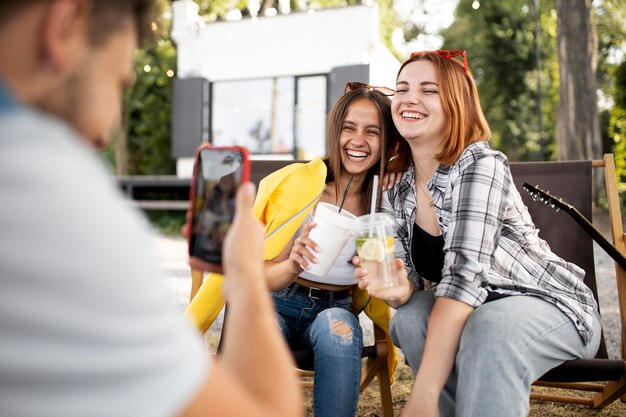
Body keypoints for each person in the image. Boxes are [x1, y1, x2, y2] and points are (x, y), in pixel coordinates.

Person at [0, 1, 302, 417]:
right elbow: (265, 411)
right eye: (118, 84)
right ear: (64, 25)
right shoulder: (43, 192)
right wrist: (246, 275)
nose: (105, 132)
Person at [355, 50, 602, 417]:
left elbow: (463, 277)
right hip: (471, 314)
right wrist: (397, 290)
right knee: (410, 316)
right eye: (402, 88)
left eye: (428, 90)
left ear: (456, 104)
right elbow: (406, 279)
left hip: (551, 306)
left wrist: (422, 394)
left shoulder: (480, 165)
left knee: (489, 329)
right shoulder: (396, 187)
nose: (409, 98)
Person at [262, 84, 398, 417]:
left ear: (388, 142)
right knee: (257, 334)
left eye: (372, 132)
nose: (358, 140)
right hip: (278, 302)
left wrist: (375, 273)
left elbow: (387, 278)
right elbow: (258, 277)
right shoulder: (303, 188)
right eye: (349, 128)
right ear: (335, 132)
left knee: (340, 330)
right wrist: (294, 264)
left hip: (334, 308)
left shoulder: (384, 200)